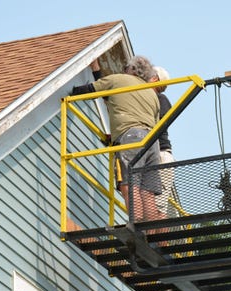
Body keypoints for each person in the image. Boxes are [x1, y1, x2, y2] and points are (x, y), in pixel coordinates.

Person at [71, 56, 163, 223]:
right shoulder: (152, 93)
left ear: (130, 69)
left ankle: (136, 226)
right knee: (147, 192)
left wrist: (68, 93)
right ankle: (151, 233)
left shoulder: (118, 80)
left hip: (131, 138)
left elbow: (91, 90)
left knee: (129, 184)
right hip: (152, 142)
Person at [149, 66, 178, 218]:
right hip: (150, 155)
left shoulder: (161, 99)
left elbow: (159, 124)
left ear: (156, 80)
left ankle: (158, 242)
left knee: (159, 206)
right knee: (148, 203)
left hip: (160, 154)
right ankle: (151, 238)